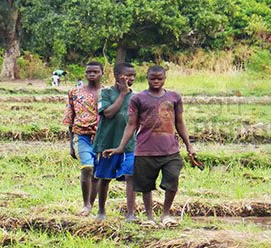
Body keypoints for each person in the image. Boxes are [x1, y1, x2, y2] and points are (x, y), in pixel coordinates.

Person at [102, 65, 196, 226]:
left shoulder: (174, 97)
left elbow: (180, 123)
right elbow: (131, 125)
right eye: (153, 78)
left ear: (165, 79)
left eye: (159, 78)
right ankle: (150, 217)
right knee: (146, 186)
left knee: (172, 180)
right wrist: (120, 147)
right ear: (147, 78)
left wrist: (189, 146)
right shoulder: (138, 99)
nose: (156, 81)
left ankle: (166, 214)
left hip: (170, 149)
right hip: (145, 150)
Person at [92, 62, 137, 221]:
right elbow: (108, 113)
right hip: (107, 144)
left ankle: (130, 213)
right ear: (117, 76)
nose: (131, 78)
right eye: (127, 76)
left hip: (129, 145)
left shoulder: (136, 97)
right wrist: (123, 95)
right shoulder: (105, 93)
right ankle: (101, 211)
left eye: (133, 76)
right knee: (104, 178)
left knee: (131, 175)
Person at [62, 61, 103, 216]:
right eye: (88, 72)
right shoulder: (75, 93)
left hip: (102, 137)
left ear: (101, 73)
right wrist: (71, 144)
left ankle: (91, 205)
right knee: (88, 167)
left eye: (95, 72)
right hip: (81, 135)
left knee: (97, 173)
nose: (91, 75)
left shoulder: (108, 93)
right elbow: (69, 118)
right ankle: (85, 204)